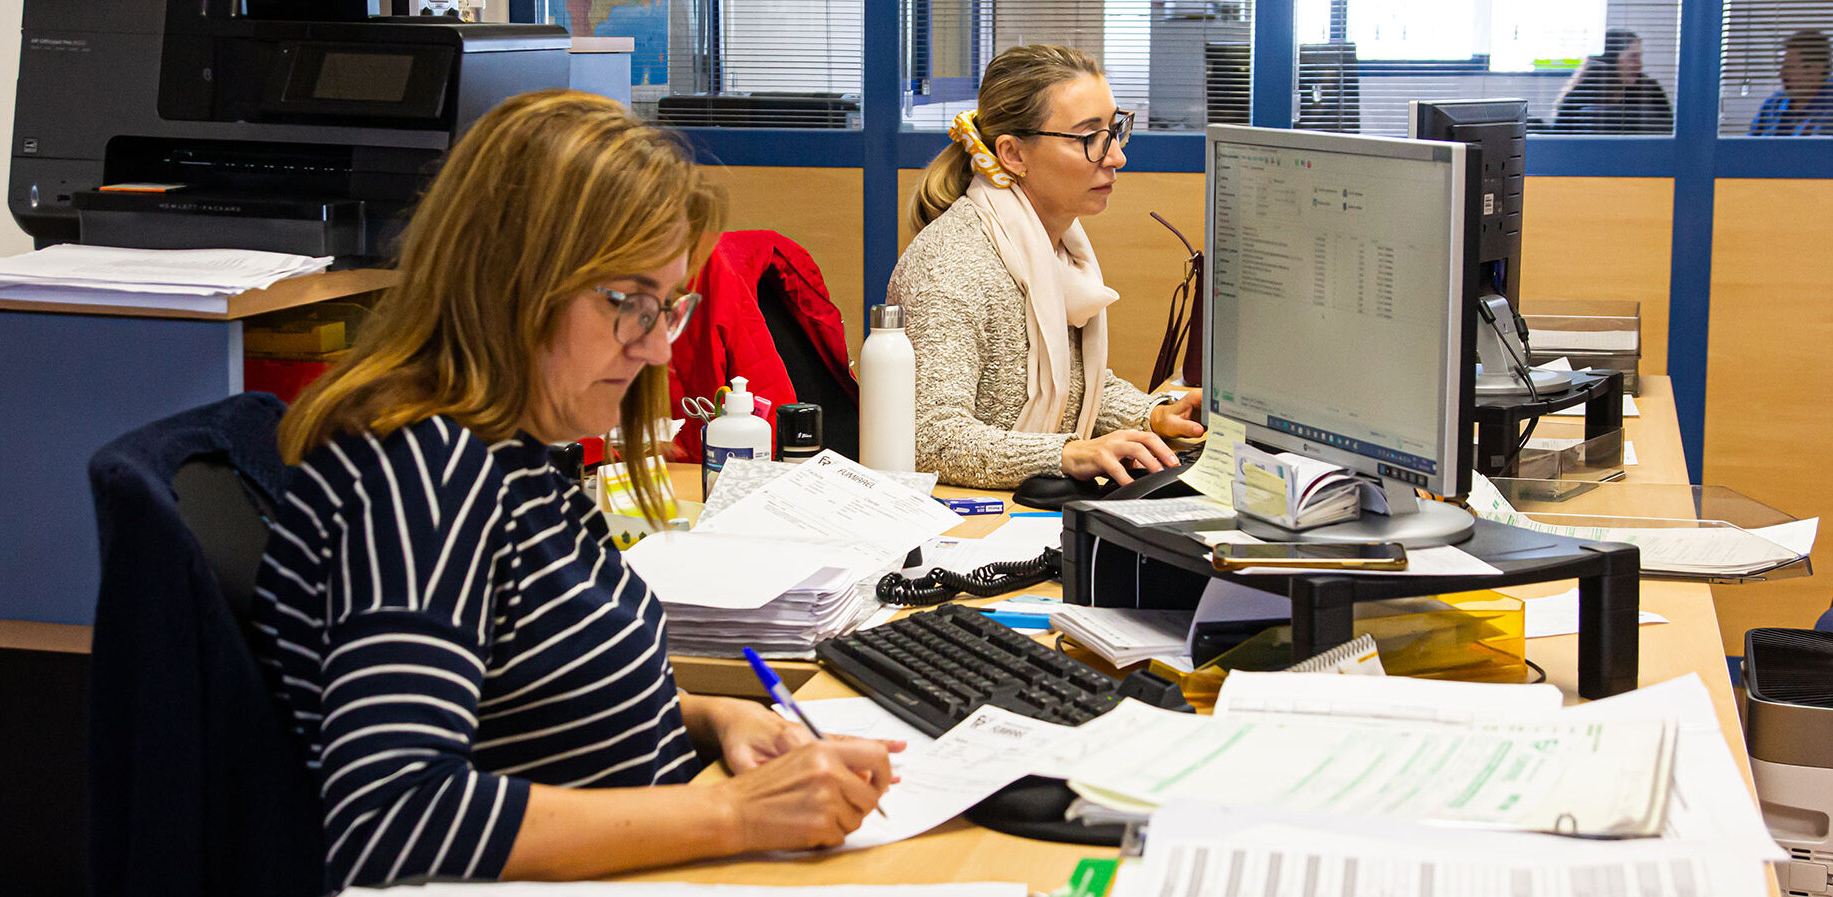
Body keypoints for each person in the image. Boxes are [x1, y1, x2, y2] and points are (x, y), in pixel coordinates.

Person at [252, 90, 900, 893]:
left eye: (671, 307)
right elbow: (395, 817)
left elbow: (535, 692)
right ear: (512, 280)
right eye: (630, 304)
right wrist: (737, 814)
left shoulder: (513, 453)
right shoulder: (419, 477)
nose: (661, 351)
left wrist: (711, 717)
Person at [890, 44, 1205, 491]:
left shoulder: (1054, 250)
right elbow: (931, 438)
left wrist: (1151, 414)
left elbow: (1070, 386)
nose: (1116, 156)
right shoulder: (951, 267)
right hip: (972, 521)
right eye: (1089, 139)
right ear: (1013, 154)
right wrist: (1064, 453)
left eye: (1115, 129)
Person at [1553, 29, 1673, 134]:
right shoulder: (1578, 98)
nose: (1640, 64)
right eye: (1632, 57)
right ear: (1611, 61)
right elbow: (1558, 145)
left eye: (1639, 57)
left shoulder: (1651, 91)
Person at [1751, 30, 1833, 136]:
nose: (1781, 74)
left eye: (1789, 67)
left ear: (1815, 70)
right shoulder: (1774, 104)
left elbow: (1824, 151)